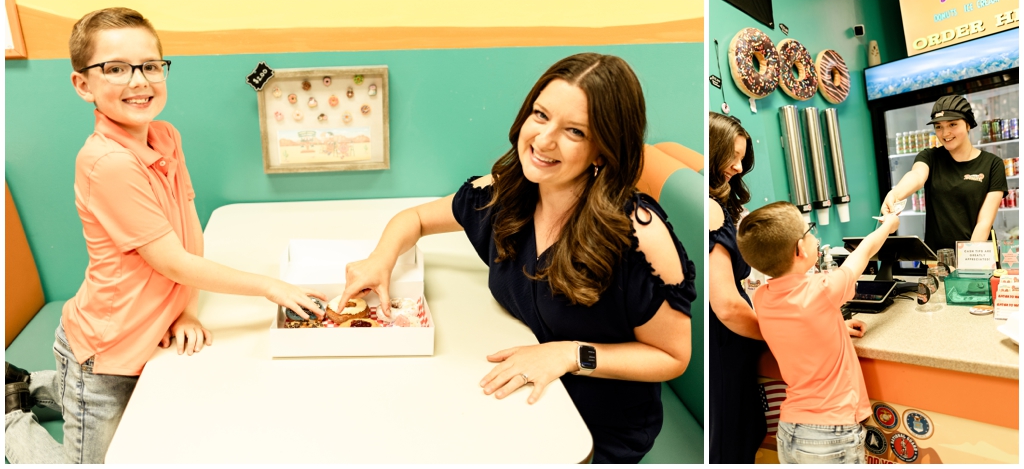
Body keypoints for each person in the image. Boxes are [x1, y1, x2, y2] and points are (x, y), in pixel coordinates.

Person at [4, 8, 324, 464]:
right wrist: (270, 287)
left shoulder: (165, 136)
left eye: (150, 65)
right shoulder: (107, 162)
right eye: (115, 69)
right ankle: (9, 414)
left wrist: (184, 310)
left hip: (148, 339)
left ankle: (26, 381)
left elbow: (188, 235)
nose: (140, 81)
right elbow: (172, 261)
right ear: (83, 85)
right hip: (106, 352)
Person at [341, 53, 694, 462]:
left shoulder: (638, 232)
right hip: (517, 399)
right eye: (540, 115)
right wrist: (379, 260)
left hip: (593, 430)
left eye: (575, 131)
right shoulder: (507, 192)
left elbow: (672, 357)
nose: (544, 140)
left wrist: (569, 354)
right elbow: (415, 218)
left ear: (603, 150)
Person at [737, 202, 900, 465]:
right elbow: (864, 251)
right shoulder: (822, 290)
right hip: (831, 433)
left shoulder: (762, 297)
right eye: (810, 230)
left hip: (790, 429)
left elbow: (797, 329)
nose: (815, 237)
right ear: (801, 248)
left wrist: (834, 326)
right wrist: (889, 226)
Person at [707, 113, 765, 463]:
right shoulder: (712, 211)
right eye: (732, 157)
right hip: (726, 347)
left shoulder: (711, 200)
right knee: (733, 443)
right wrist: (788, 332)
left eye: (743, 158)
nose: (739, 167)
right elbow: (727, 306)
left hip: (717, 343)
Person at [882, 94, 1006, 252]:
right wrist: (895, 194)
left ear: (968, 124)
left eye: (952, 124)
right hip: (936, 261)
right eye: (938, 126)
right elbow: (917, 176)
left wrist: (966, 265)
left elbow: (984, 223)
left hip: (977, 257)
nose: (945, 133)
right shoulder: (929, 157)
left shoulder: (992, 164)